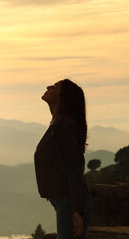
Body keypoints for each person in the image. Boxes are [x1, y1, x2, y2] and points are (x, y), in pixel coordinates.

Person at [34, 79, 93, 239]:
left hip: (69, 203)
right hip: (64, 202)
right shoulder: (58, 124)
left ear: (62, 98)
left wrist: (76, 211)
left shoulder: (65, 126)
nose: (48, 86)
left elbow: (74, 169)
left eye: (54, 87)